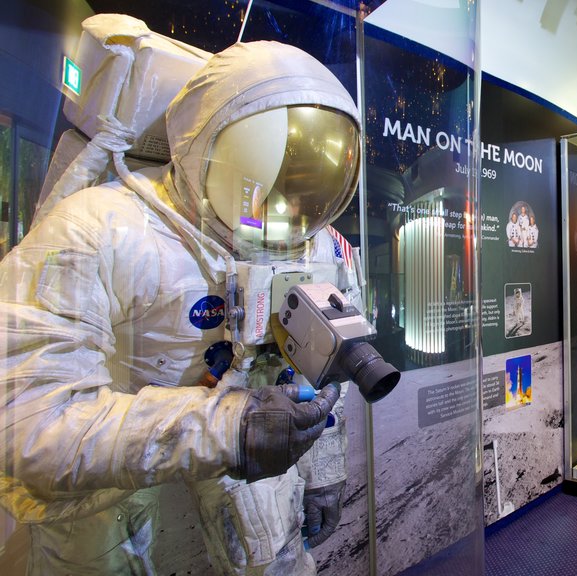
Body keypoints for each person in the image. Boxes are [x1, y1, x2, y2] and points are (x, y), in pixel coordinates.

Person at [0, 40, 362, 574]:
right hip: (108, 500)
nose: (281, 209)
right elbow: (28, 417)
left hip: (252, 468)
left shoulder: (315, 248)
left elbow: (325, 374)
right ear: (211, 147)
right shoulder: (99, 230)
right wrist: (224, 429)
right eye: (268, 177)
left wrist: (324, 467)